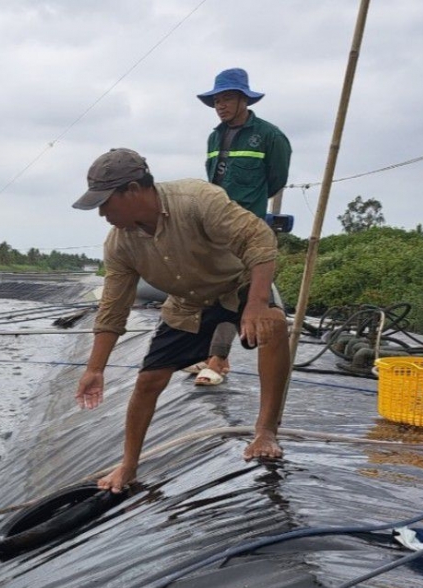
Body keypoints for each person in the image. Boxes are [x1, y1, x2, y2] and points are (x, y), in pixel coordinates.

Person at [72, 148, 289, 493]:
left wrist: (258, 303)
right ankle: (128, 465)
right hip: (188, 304)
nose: (101, 213)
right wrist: (95, 368)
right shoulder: (119, 244)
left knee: (273, 326)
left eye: (106, 202)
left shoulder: (196, 200)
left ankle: (265, 431)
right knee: (147, 382)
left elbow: (258, 238)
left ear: (132, 190)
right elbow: (113, 308)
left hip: (238, 284)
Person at [191, 68, 292, 386]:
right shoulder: (213, 136)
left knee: (237, 293)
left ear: (244, 99)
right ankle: (212, 355)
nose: (221, 105)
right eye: (217, 100)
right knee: (214, 291)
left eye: (228, 98)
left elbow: (276, 179)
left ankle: (218, 360)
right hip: (215, 227)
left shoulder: (269, 135)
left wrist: (253, 205)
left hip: (247, 228)